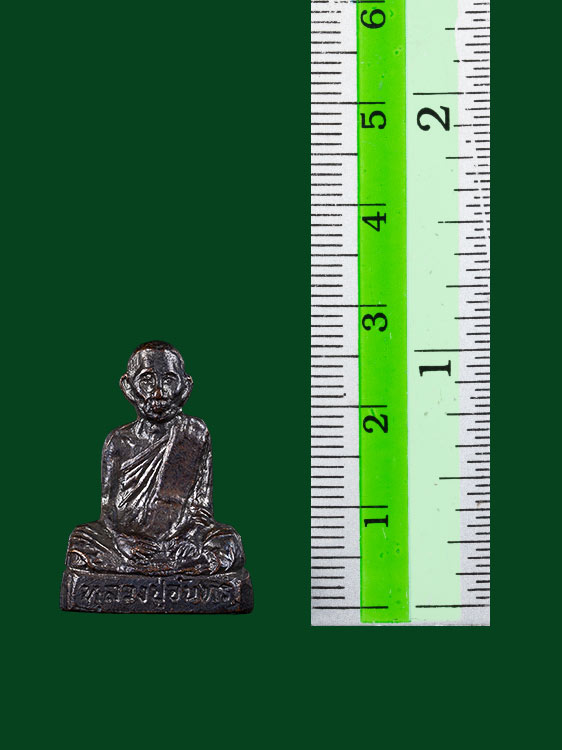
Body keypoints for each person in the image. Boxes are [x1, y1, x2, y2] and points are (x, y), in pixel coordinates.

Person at [65, 341, 245, 576]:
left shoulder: (194, 433)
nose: (158, 393)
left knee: (228, 541)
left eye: (169, 380)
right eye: (147, 381)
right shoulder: (118, 441)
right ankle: (168, 568)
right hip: (130, 543)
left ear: (186, 387)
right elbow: (108, 513)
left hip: (179, 541)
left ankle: (165, 567)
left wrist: (192, 538)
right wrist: (121, 542)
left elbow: (201, 505)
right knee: (80, 540)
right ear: (128, 387)